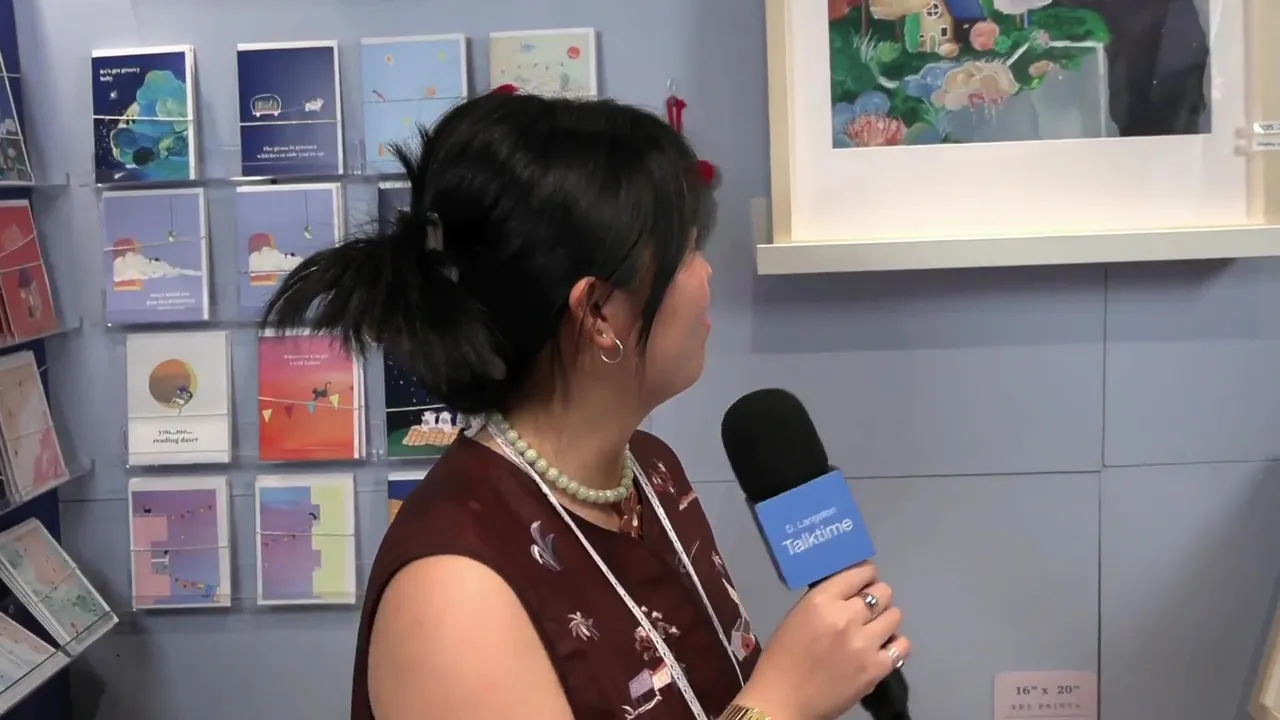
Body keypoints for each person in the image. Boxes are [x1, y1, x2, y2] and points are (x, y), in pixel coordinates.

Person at [261, 90, 911, 720]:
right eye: (687, 252)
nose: (707, 274)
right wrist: (783, 705)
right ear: (598, 312)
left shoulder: (651, 471)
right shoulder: (454, 588)